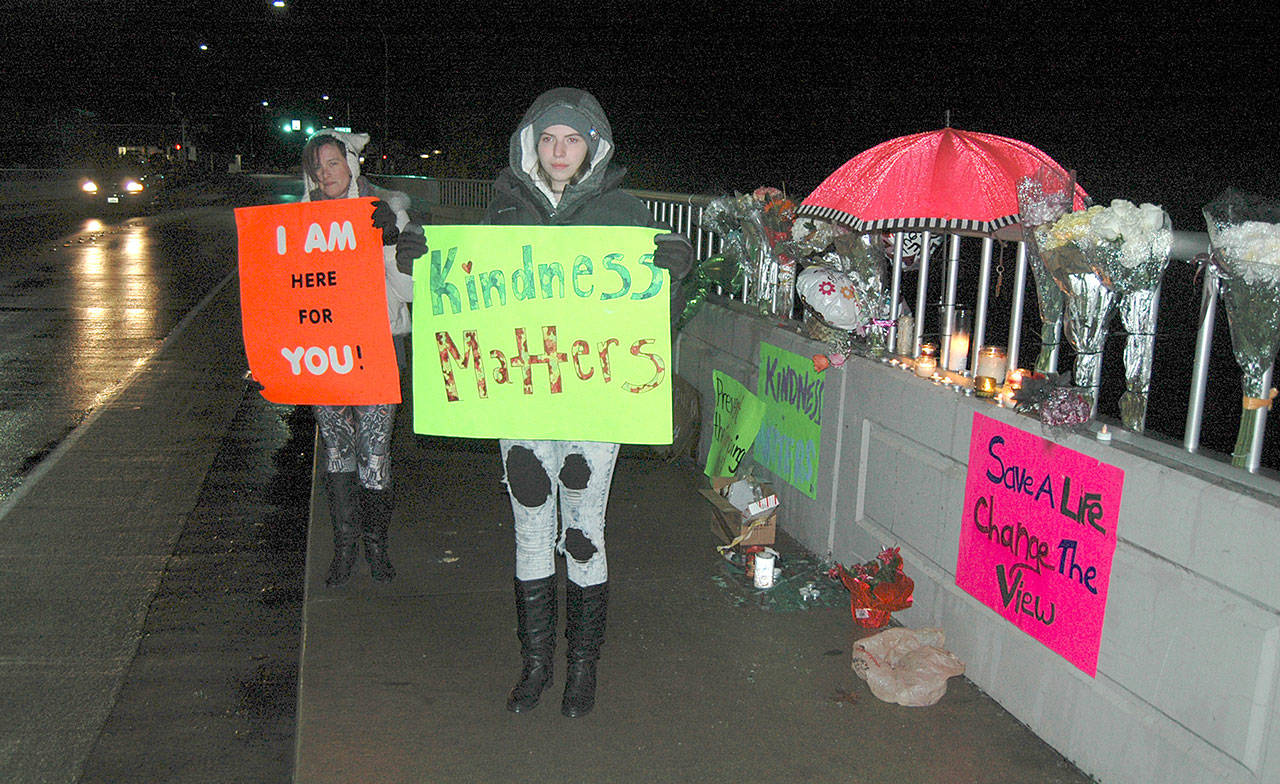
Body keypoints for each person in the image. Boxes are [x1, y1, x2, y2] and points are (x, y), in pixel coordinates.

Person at [480, 88, 693, 718]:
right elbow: (464, 300)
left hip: (594, 399)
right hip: (522, 396)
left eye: (572, 139)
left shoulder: (624, 212)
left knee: (582, 529)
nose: (558, 151)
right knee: (528, 525)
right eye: (547, 138)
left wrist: (674, 279)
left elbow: (653, 327)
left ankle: (580, 668)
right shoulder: (505, 209)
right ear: (530, 144)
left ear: (593, 145)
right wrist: (416, 265)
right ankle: (536, 662)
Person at [301, 129, 423, 587]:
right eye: (316, 166)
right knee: (337, 453)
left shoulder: (387, 212)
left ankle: (376, 547)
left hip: (376, 349)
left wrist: (393, 243)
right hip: (325, 355)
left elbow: (409, 293)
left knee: (375, 455)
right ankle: (344, 548)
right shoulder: (300, 223)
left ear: (352, 164)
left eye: (333, 163)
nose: (325, 173)